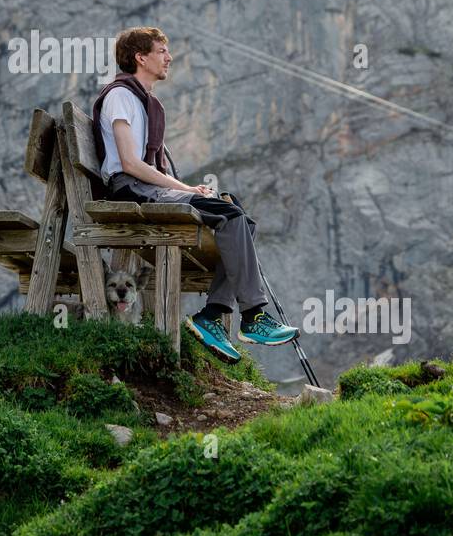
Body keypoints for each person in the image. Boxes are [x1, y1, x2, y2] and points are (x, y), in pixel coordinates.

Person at [92, 26, 298, 363]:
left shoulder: (145, 102)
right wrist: (185, 189)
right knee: (230, 216)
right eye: (161, 51)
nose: (169, 57)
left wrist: (189, 190)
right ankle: (253, 317)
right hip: (128, 191)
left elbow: (150, 170)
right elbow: (128, 162)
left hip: (145, 189)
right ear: (140, 57)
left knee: (241, 217)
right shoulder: (120, 97)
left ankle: (213, 316)